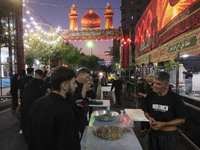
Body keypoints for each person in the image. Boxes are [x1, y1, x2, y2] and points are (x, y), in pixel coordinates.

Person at [28, 66, 80, 150]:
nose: (76, 86)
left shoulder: (37, 103)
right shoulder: (64, 111)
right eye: (74, 82)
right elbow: (70, 145)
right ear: (65, 85)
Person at [143, 72, 187, 150]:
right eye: (154, 83)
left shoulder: (175, 98)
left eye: (159, 84)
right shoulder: (150, 96)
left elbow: (182, 120)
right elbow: (146, 111)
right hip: (153, 134)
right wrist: (149, 118)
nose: (155, 86)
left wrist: (164, 124)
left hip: (169, 135)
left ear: (166, 85)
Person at [20, 69, 44, 140]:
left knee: (26, 118)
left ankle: (26, 133)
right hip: (32, 105)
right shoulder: (40, 82)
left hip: (24, 102)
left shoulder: (30, 82)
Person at [69, 68, 91, 136]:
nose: (87, 79)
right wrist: (84, 89)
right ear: (80, 75)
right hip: (77, 118)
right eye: (86, 77)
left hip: (83, 117)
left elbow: (92, 96)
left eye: (88, 77)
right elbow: (80, 102)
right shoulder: (73, 87)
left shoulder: (83, 84)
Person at [18, 67, 34, 135]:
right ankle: (30, 128)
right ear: (32, 72)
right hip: (31, 99)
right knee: (31, 113)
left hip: (23, 98)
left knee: (23, 112)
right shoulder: (34, 80)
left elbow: (19, 89)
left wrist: (19, 97)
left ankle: (22, 128)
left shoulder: (22, 79)